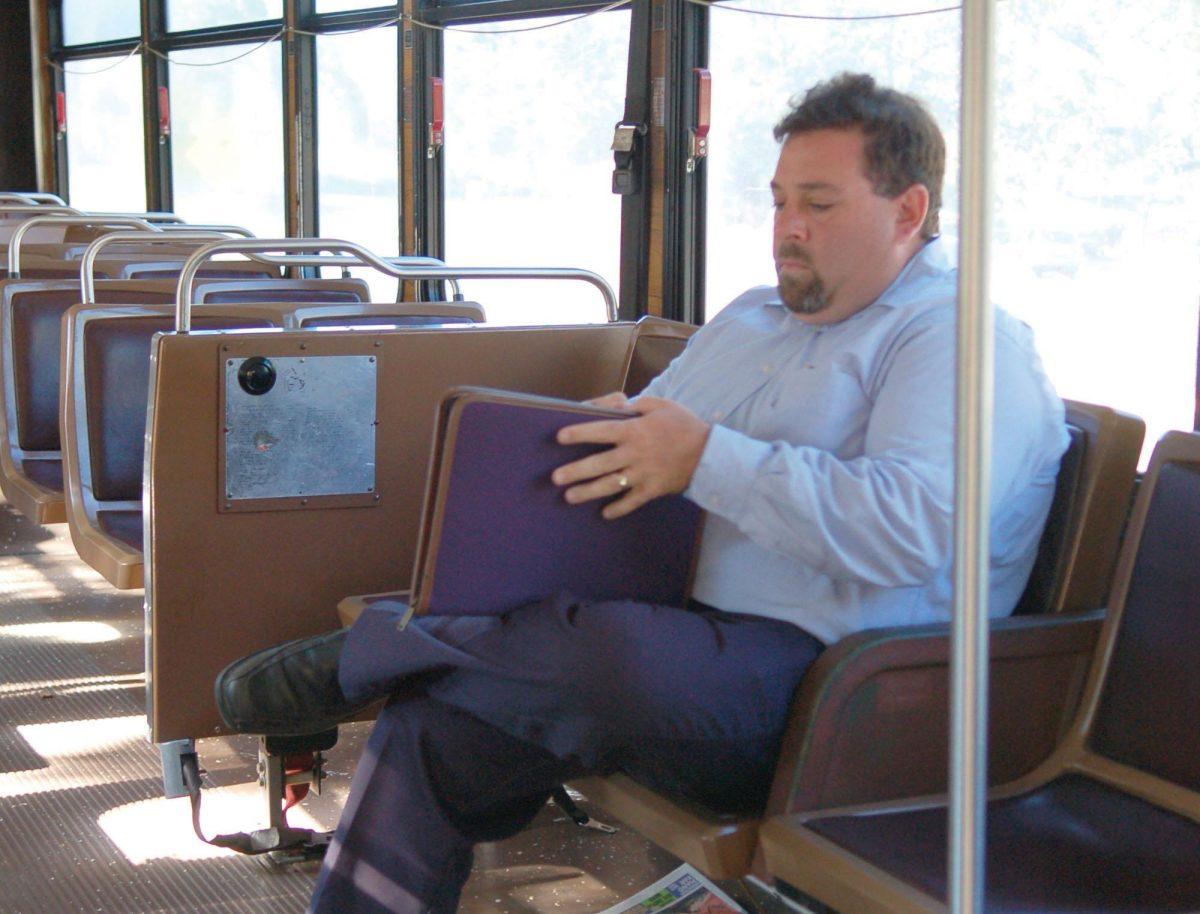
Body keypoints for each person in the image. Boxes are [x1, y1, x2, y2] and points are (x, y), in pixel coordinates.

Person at [215, 73, 1067, 914]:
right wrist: (601, 437)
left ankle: (381, 648)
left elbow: (915, 529)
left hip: (836, 689)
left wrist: (701, 460)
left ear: (909, 212)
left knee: (606, 651)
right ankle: (414, 655)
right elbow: (655, 434)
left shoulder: (957, 342)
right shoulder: (753, 318)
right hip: (665, 634)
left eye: (819, 203)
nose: (787, 229)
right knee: (430, 730)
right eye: (776, 202)